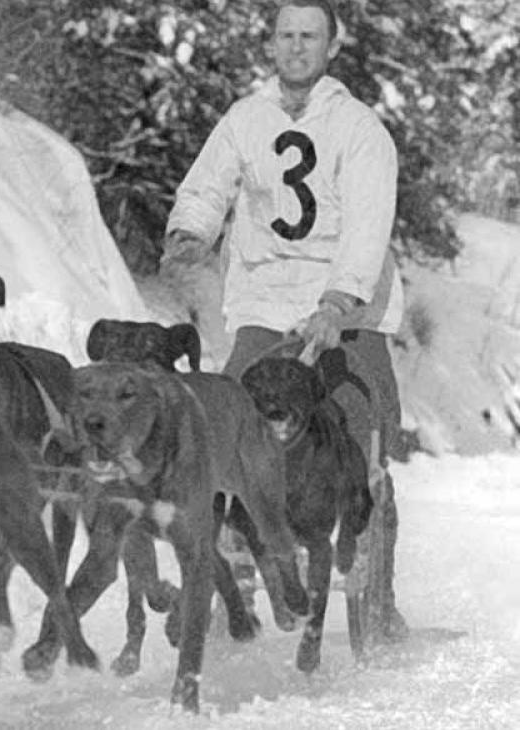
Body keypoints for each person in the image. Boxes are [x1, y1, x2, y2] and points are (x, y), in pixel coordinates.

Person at [161, 0, 408, 642]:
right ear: (272, 44)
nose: (297, 48)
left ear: (332, 45)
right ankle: (227, 584)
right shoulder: (246, 118)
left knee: (362, 431)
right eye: (286, 36)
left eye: (310, 36)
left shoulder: (359, 129)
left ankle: (377, 593)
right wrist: (191, 229)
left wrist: (337, 303)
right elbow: (208, 184)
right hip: (266, 300)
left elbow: (368, 227)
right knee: (223, 424)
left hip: (347, 307)